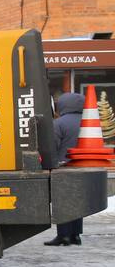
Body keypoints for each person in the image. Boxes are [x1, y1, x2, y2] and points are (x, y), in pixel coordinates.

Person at [45, 92, 85, 246]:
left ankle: (63, 236)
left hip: (63, 166)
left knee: (62, 201)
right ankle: (76, 235)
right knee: (78, 202)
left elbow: (53, 145)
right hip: (82, 167)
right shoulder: (88, 122)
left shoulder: (59, 123)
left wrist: (50, 163)